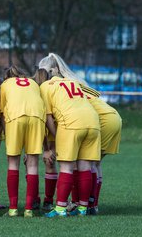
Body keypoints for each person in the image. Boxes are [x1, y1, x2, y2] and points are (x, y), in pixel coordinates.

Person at [39, 54, 101, 217]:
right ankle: (82, 208)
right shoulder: (74, 81)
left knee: (66, 167)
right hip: (93, 123)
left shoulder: (46, 86)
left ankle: (60, 209)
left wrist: (57, 135)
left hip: (72, 123)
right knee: (85, 167)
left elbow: (48, 117)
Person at [0, 66, 46, 218]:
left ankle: (13, 209)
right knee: (32, 164)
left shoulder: (5, 84)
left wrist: (5, 132)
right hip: (37, 117)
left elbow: (1, 111)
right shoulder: (33, 83)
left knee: (13, 163)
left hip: (16, 117)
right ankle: (28, 209)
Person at [32, 68, 58, 211]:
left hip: (44, 126)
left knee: (31, 162)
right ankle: (47, 201)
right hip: (54, 127)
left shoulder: (36, 90)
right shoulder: (50, 88)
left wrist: (47, 149)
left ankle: (36, 199)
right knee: (50, 162)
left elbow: (42, 122)